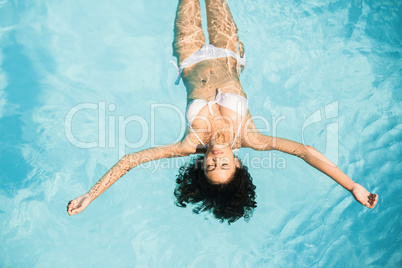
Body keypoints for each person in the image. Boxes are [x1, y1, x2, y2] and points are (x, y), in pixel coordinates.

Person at [67, 0, 378, 223]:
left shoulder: (188, 144)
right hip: (229, 52)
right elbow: (305, 151)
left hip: (189, 56)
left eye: (210, 165)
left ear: (201, 166)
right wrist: (351, 185)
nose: (215, 155)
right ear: (238, 163)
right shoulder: (251, 137)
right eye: (224, 163)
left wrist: (90, 195)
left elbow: (131, 160)